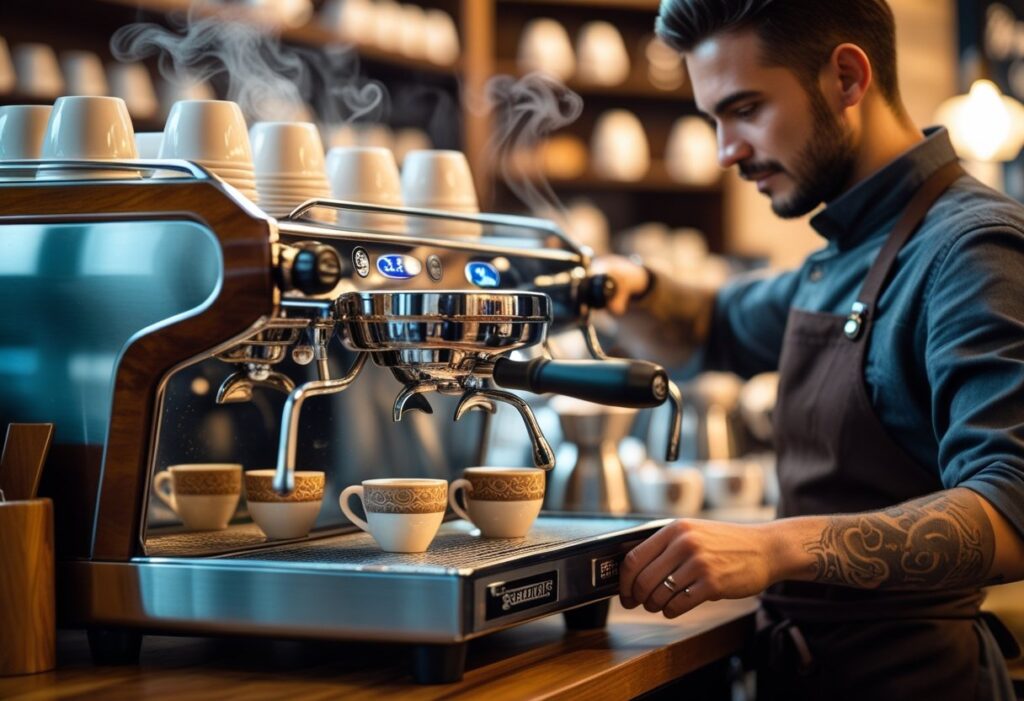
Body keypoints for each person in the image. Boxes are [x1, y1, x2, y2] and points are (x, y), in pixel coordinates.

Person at [598, 1, 1024, 698]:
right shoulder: (844, 252)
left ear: (847, 79)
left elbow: (1011, 511)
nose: (725, 151)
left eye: (745, 109)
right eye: (714, 120)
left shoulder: (971, 250)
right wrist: (626, 285)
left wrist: (769, 548)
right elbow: (709, 326)